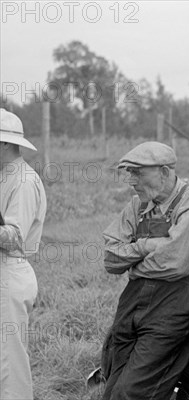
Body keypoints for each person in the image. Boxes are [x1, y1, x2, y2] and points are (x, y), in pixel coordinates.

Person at [102, 141, 189, 400]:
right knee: (112, 384)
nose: (131, 180)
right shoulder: (136, 205)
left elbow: (177, 263)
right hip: (132, 302)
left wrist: (132, 257)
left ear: (164, 172)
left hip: (173, 305)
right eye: (129, 173)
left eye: (138, 173)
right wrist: (149, 246)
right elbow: (110, 259)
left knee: (132, 391)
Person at [0, 108, 47, 400]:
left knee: (10, 361)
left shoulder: (24, 181)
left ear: (5, 143)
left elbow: (14, 236)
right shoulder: (5, 176)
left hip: (9, 272)